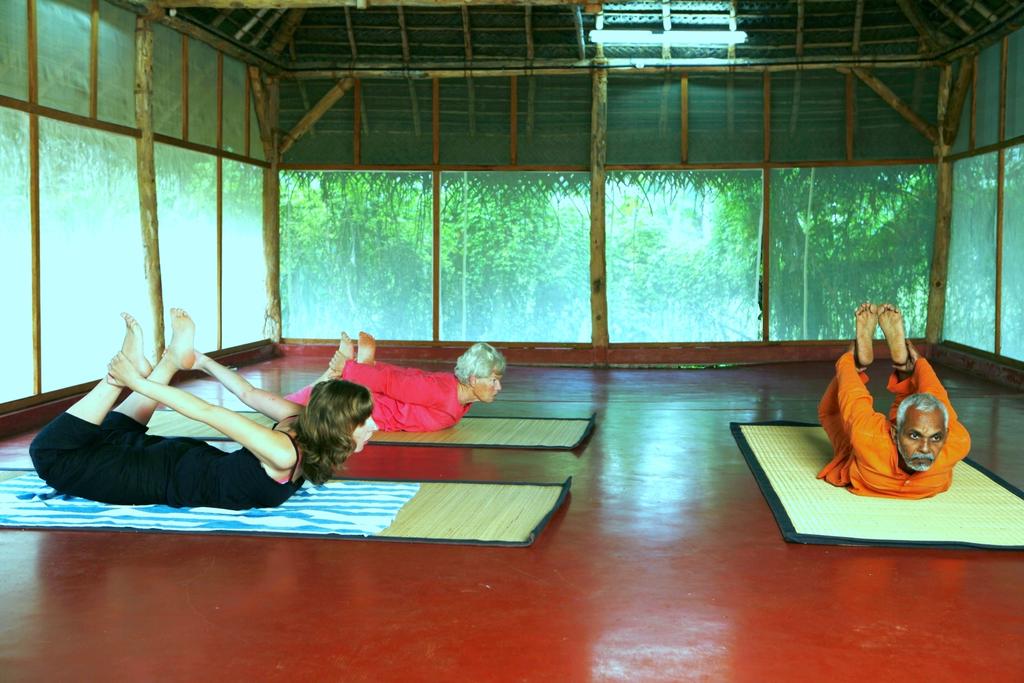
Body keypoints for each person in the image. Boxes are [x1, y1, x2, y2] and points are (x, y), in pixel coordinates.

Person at [29, 309, 375, 510]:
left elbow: (244, 395)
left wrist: (192, 366)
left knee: (101, 438)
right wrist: (146, 379)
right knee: (49, 454)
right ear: (338, 426)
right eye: (365, 420)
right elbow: (218, 408)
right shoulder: (284, 451)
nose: (374, 426)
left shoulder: (299, 424)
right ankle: (118, 378)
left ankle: (159, 365)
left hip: (168, 466)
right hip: (161, 473)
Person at [816, 302, 971, 499]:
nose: (925, 449)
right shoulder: (957, 442)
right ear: (894, 431)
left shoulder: (868, 438)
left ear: (945, 435)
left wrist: (848, 362)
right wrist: (920, 365)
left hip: (869, 468)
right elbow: (937, 398)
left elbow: (853, 398)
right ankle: (905, 369)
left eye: (936, 438)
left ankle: (881, 366)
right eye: (915, 436)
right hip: (888, 457)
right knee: (928, 410)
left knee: (830, 413)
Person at [285, 331, 506, 432]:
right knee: (292, 409)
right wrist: (349, 369)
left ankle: (355, 370)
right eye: (494, 380)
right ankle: (341, 371)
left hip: (374, 408)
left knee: (306, 401)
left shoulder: (460, 398)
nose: (499, 387)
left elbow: (407, 375)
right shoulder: (441, 391)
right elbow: (394, 382)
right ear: (474, 379)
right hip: (368, 409)